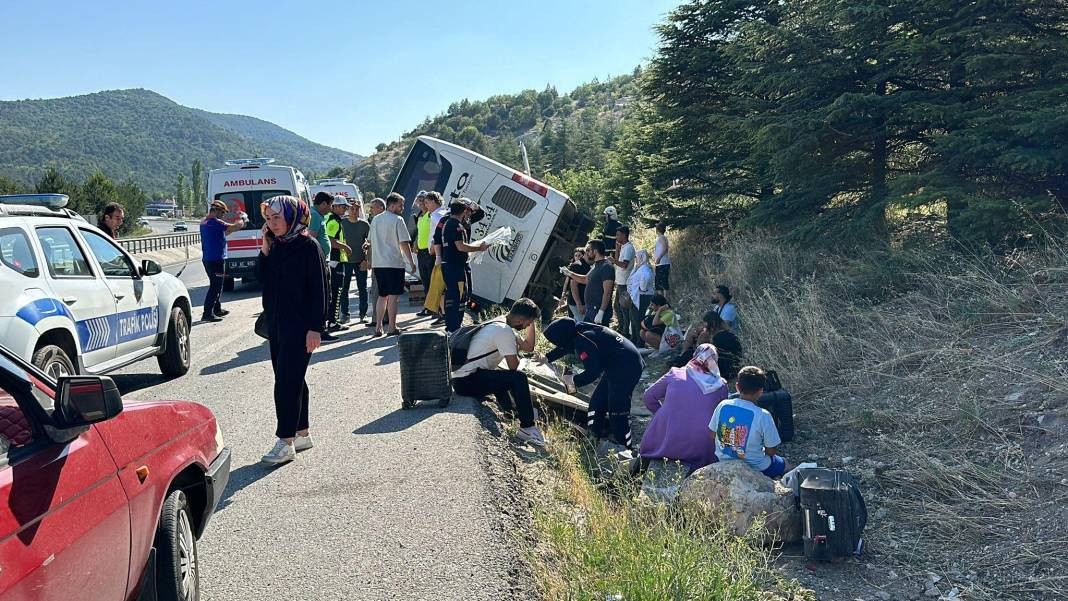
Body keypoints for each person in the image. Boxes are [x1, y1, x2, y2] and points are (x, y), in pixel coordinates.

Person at [255, 195, 327, 465]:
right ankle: (302, 433)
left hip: (300, 326)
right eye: (269, 219)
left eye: (277, 218)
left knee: (286, 382)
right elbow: (261, 277)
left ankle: (285, 441)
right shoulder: (278, 245)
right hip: (277, 324)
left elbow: (320, 289)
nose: (272, 223)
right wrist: (265, 247)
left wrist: (315, 328)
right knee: (292, 378)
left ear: (293, 218)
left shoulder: (309, 246)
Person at [452, 298, 546, 446]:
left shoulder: (501, 322)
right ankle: (527, 428)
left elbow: (528, 347)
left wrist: (531, 319)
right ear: (520, 320)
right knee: (518, 378)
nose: (528, 326)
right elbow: (513, 367)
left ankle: (510, 414)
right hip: (466, 382)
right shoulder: (504, 331)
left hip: (462, 379)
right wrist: (514, 350)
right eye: (528, 323)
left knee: (501, 377)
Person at [543, 317, 644, 448]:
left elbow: (592, 373)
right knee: (597, 404)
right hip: (616, 365)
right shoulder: (578, 330)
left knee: (617, 412)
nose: (557, 344)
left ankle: (626, 449)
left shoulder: (583, 340)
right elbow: (566, 346)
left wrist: (573, 380)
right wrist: (547, 357)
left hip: (627, 368)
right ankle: (592, 439)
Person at [638, 344, 729, 473]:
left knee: (663, 413)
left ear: (696, 355)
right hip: (701, 449)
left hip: (667, 443)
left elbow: (648, 397)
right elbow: (721, 416)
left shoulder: (676, 373)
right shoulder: (721, 385)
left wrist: (665, 416)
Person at [708, 366, 788, 479]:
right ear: (761, 391)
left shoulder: (723, 405)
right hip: (758, 467)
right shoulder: (764, 415)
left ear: (737, 387)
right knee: (785, 463)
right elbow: (771, 451)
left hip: (724, 462)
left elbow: (712, 434)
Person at [369, 192, 416, 337]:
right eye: (401, 205)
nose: (402, 208)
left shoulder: (376, 219)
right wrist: (411, 262)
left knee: (382, 296)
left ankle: (378, 327)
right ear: (393, 205)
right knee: (393, 297)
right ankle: (392, 327)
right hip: (394, 263)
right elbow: (404, 243)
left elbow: (370, 240)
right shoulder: (397, 219)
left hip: (378, 263)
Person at [441, 200, 490, 332]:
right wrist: (479, 248)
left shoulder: (449, 223)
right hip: (455, 266)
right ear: (463, 211)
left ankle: (453, 325)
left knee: (456, 295)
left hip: (452, 265)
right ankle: (454, 326)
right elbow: (460, 246)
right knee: (457, 296)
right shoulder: (456, 225)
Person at [199, 199, 247, 322]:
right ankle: (207, 314)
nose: (223, 215)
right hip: (216, 260)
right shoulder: (215, 222)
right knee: (215, 286)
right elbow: (235, 227)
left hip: (208, 259)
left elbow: (225, 232)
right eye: (222, 212)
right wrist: (243, 219)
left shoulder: (204, 222)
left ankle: (217, 309)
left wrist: (234, 227)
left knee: (217, 285)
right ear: (215, 210)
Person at [673, 311, 743, 379]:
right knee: (689, 353)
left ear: (712, 324)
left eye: (705, 327)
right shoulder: (727, 334)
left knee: (689, 355)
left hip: (725, 371)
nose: (704, 329)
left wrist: (699, 343)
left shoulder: (719, 337)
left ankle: (677, 367)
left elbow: (703, 355)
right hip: (731, 368)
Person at [561, 240, 613, 326]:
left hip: (598, 310)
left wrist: (601, 311)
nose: (586, 253)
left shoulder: (606, 266)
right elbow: (585, 279)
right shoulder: (596, 265)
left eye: (588, 250)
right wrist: (569, 273)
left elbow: (607, 293)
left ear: (595, 251)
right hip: (590, 310)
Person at [324, 196, 354, 332]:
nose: (345, 209)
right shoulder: (333, 221)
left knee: (334, 292)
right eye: (343, 207)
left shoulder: (332, 219)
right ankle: (332, 322)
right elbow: (330, 239)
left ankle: (330, 320)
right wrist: (345, 247)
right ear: (334, 207)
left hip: (334, 260)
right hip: (335, 261)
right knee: (336, 291)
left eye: (346, 207)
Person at [422, 192, 452, 322]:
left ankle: (442, 314)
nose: (425, 205)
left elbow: (438, 234)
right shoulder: (443, 213)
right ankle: (442, 313)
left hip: (436, 254)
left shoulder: (436, 215)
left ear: (434, 201)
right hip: (440, 253)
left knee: (437, 284)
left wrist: (433, 247)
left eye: (427, 202)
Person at [340, 198, 371, 323]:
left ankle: (363, 314)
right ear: (347, 210)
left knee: (362, 288)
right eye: (351, 209)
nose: (354, 211)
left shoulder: (364, 225)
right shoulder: (342, 223)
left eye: (356, 209)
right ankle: (345, 314)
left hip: (360, 261)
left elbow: (370, 242)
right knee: (344, 289)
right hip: (345, 261)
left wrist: (366, 260)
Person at [415, 191, 439, 316]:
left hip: (430, 252)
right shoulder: (420, 215)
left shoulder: (431, 215)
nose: (420, 203)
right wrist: (416, 244)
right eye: (419, 201)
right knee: (424, 280)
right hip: (421, 251)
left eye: (423, 201)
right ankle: (428, 306)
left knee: (432, 280)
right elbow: (420, 232)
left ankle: (435, 308)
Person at [611, 226, 636, 340]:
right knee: (617, 306)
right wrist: (617, 250)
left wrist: (613, 261)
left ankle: (625, 331)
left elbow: (624, 265)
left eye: (618, 234)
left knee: (624, 308)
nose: (616, 237)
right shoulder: (623, 247)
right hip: (620, 282)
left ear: (624, 235)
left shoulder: (629, 248)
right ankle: (621, 327)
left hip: (625, 283)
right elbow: (618, 262)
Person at [364, 198, 386, 327]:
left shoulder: (378, 221)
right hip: (381, 261)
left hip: (379, 261)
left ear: (381, 208)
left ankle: (377, 319)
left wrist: (370, 259)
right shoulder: (375, 221)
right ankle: (382, 318)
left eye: (373, 207)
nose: (370, 210)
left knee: (377, 291)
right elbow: (370, 242)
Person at [627, 249, 655, 344]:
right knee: (633, 319)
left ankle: (640, 342)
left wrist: (642, 288)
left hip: (642, 297)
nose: (635, 259)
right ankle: (634, 339)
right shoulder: (639, 267)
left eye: (637, 257)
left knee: (638, 320)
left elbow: (645, 282)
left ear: (642, 257)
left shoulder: (645, 268)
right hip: (636, 297)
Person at [563, 248, 590, 320]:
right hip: (576, 301)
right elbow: (571, 284)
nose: (578, 257)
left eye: (579, 255)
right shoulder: (575, 266)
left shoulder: (586, 265)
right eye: (576, 255)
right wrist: (578, 303)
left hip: (583, 300)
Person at [653, 221, 671, 301]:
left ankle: (665, 300)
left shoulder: (662, 238)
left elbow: (664, 248)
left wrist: (659, 258)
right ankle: (661, 300)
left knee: (663, 283)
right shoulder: (661, 238)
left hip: (662, 263)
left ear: (657, 230)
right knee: (659, 283)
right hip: (661, 263)